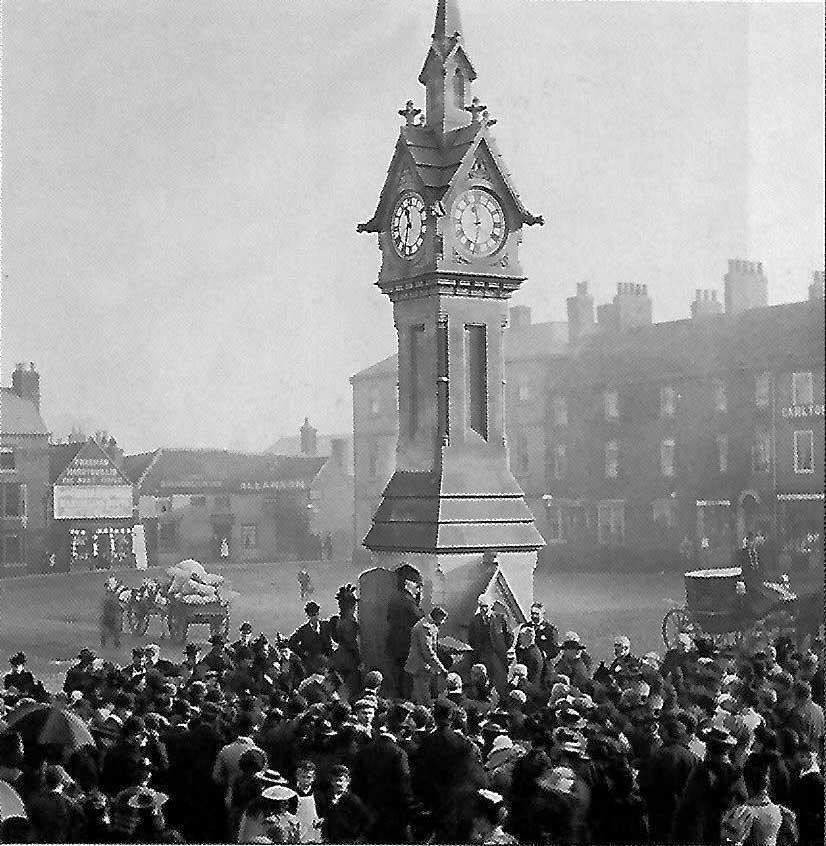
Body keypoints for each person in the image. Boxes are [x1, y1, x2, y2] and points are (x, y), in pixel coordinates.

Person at [385, 566, 424, 698]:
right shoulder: (407, 601)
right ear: (408, 583)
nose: (418, 589)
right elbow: (420, 619)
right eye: (417, 586)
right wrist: (418, 601)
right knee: (406, 680)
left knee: (398, 676)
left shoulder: (395, 598)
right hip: (406, 645)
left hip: (394, 644)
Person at [468, 595, 513, 696]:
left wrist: (504, 649)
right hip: (482, 656)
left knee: (500, 682)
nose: (484, 609)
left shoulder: (500, 618)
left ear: (491, 606)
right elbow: (471, 639)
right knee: (483, 682)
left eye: (486, 606)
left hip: (498, 656)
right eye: (481, 606)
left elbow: (510, 637)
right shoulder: (474, 621)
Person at [319, 764, 372, 844]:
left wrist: (360, 838)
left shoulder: (354, 800)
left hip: (348, 841)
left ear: (348, 782)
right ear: (331, 782)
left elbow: (368, 821)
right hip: (331, 841)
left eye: (341, 780)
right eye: (335, 780)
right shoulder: (326, 799)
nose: (338, 783)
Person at [405, 607, 449, 705]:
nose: (442, 623)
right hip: (420, 667)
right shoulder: (425, 627)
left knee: (417, 696)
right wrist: (441, 668)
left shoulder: (427, 624)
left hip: (422, 667)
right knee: (423, 700)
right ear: (437, 617)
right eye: (442, 619)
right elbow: (427, 651)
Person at [328, 585, 361, 701]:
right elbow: (351, 644)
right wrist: (359, 660)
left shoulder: (339, 620)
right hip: (348, 659)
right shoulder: (349, 622)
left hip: (339, 656)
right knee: (352, 688)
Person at [288, 603, 333, 672]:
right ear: (308, 616)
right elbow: (291, 643)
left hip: (327, 663)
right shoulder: (303, 631)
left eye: (315, 614)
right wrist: (303, 653)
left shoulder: (326, 625)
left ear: (318, 614)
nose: (313, 618)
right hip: (311, 665)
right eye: (311, 615)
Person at [99, 580, 123, 649]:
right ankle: (109, 642)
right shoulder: (109, 598)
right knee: (110, 629)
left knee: (114, 628)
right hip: (109, 616)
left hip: (111, 616)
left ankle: (114, 642)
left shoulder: (110, 597)